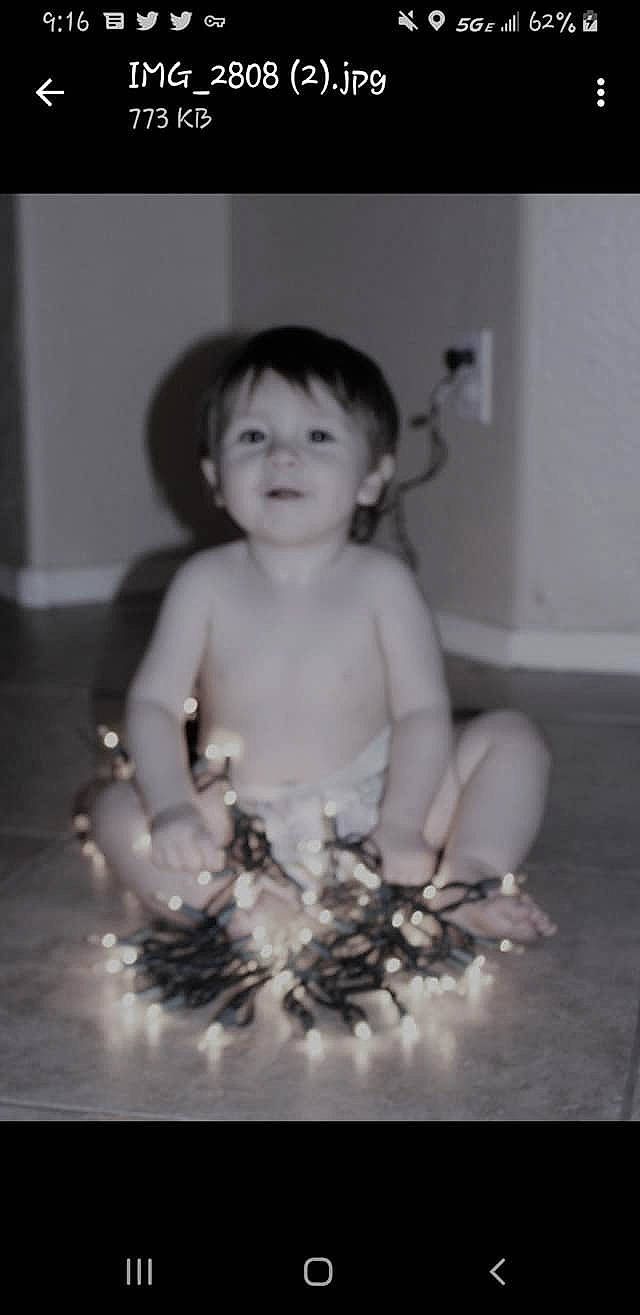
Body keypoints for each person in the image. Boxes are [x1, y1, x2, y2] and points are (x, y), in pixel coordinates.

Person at [90, 325, 556, 947]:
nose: (282, 455)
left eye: (317, 437)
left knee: (511, 740)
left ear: (371, 479)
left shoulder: (383, 584)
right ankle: (232, 907)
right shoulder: (203, 583)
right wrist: (174, 805)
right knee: (114, 810)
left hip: (379, 807)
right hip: (235, 820)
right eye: (253, 436)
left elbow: (421, 713)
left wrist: (401, 822)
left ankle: (465, 880)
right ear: (215, 477)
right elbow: (153, 703)